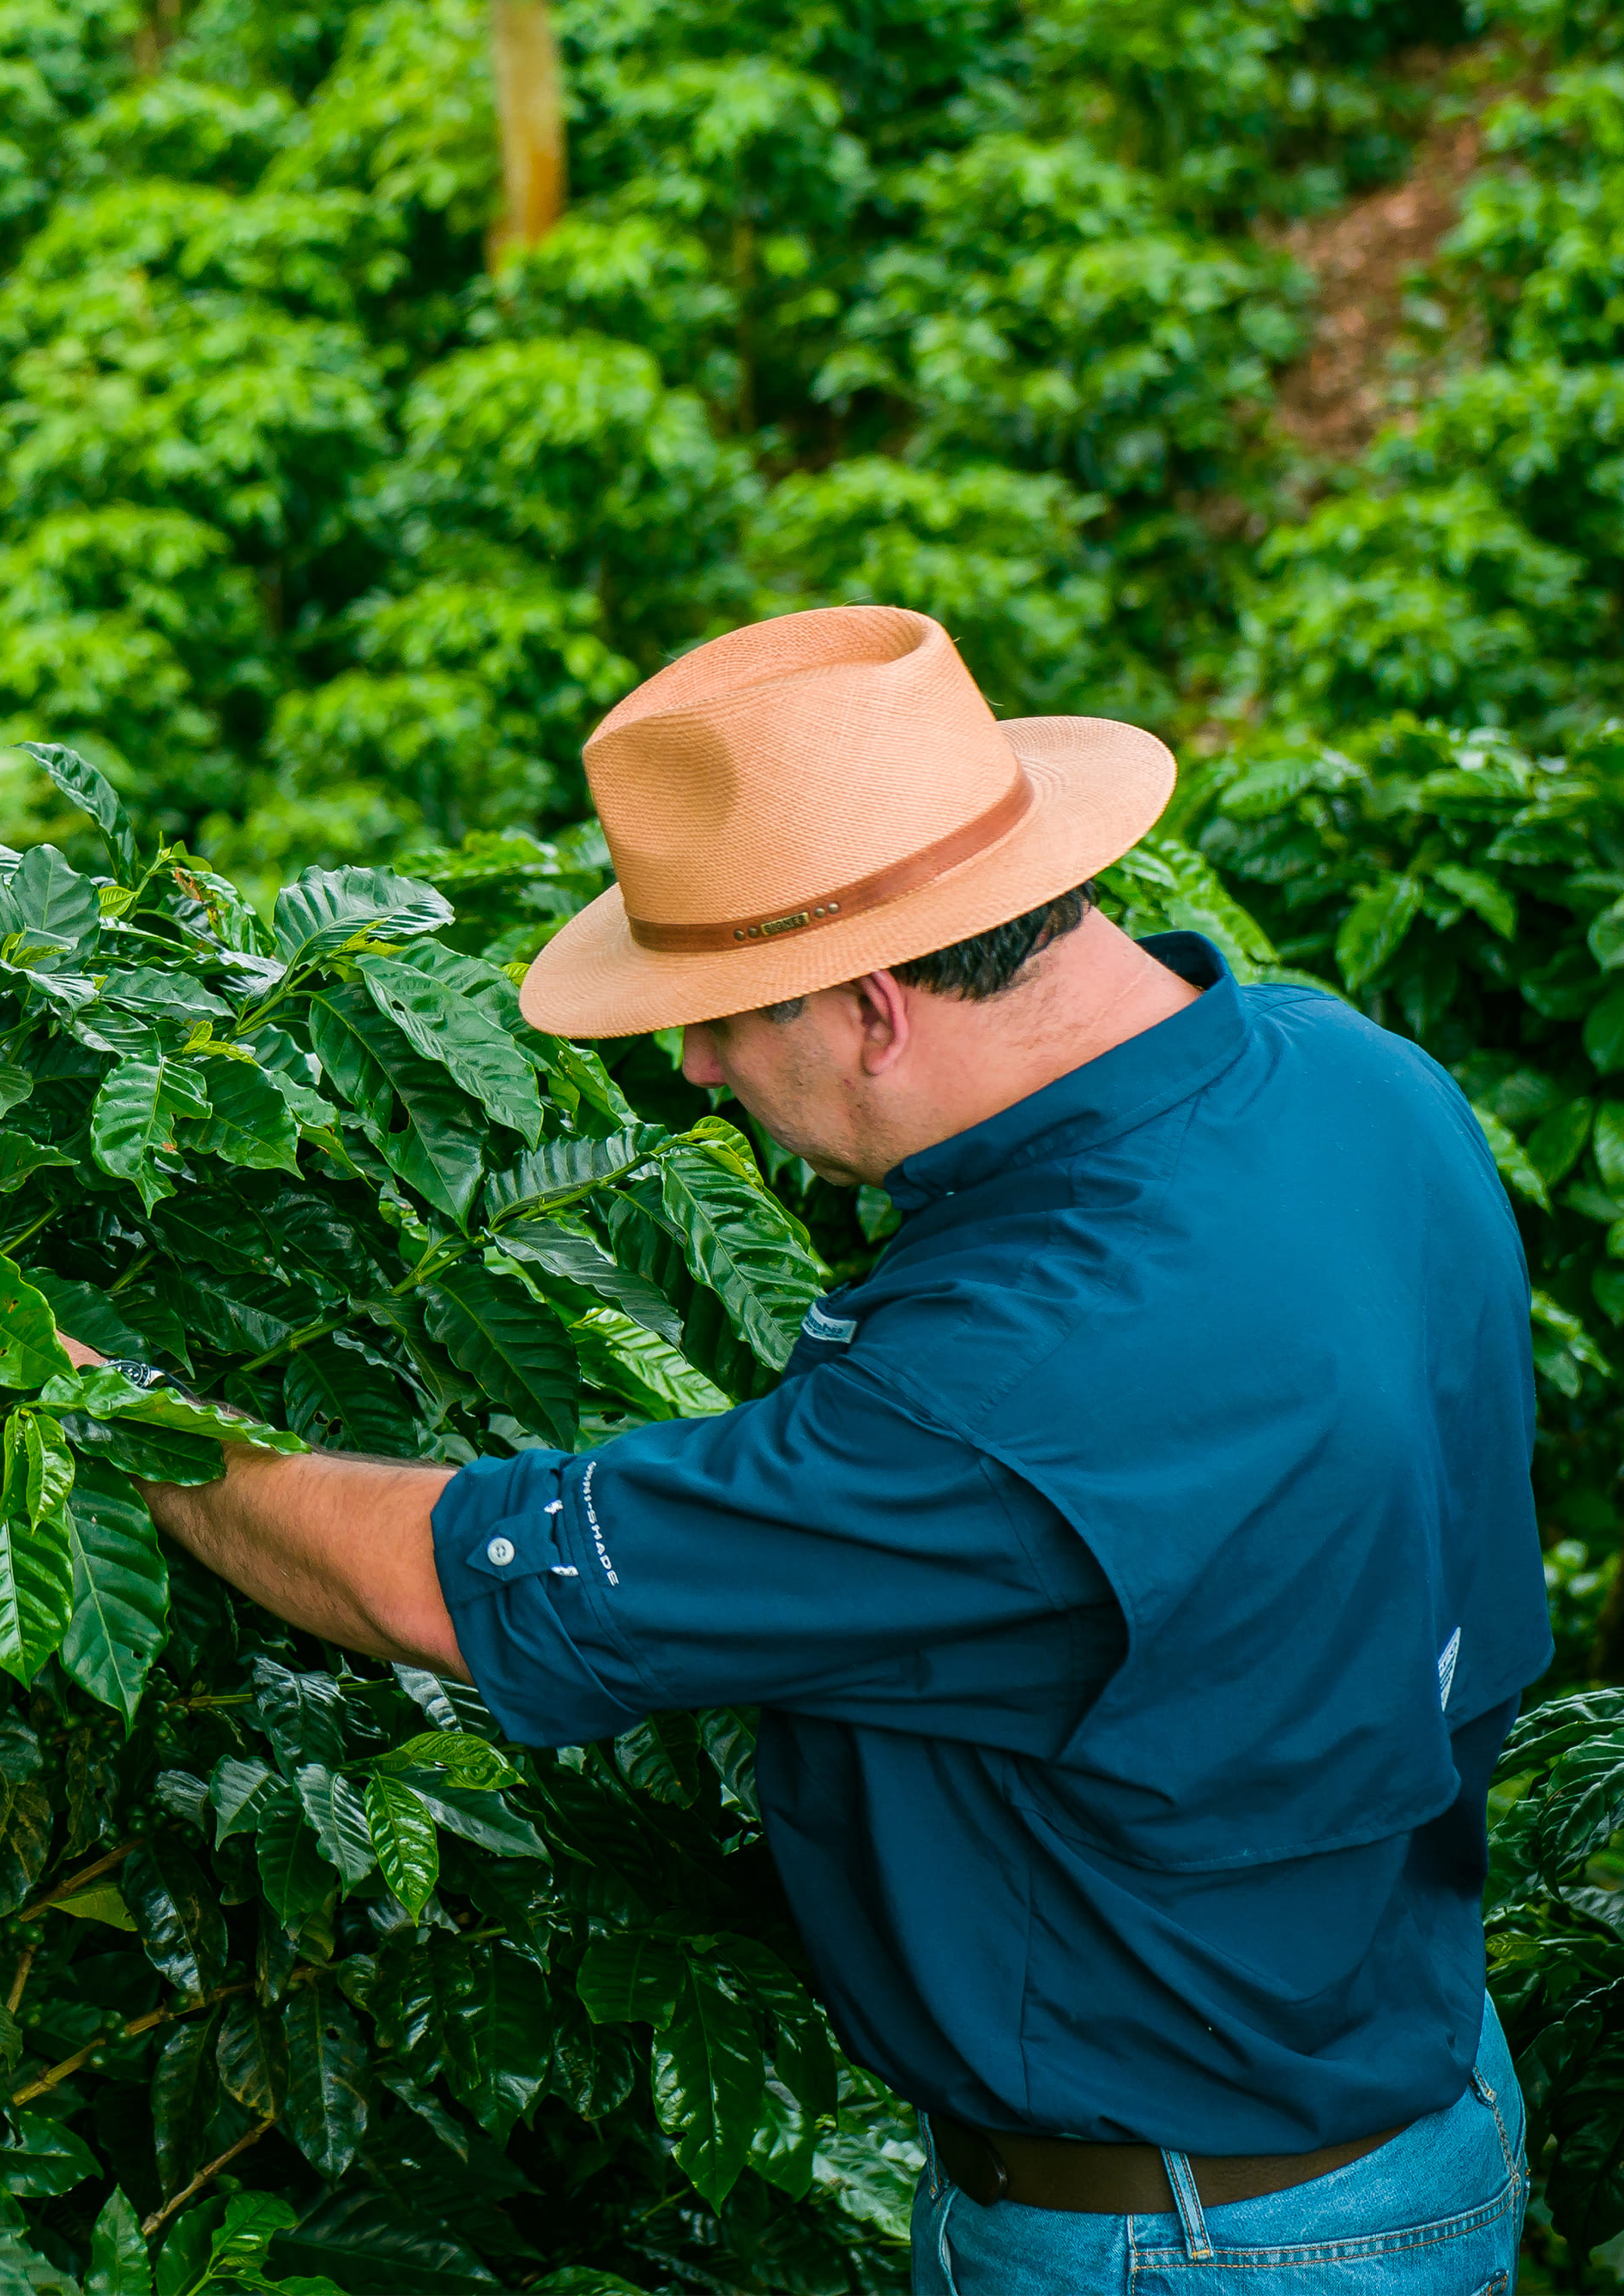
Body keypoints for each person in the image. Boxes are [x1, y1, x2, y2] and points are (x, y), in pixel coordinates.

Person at [81, 604, 1542, 2294]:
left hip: (1186, 2241)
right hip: (1411, 2095)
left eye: (722, 1018)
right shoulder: (1354, 1082)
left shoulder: (1005, 1383)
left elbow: (446, 1586)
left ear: (871, 1006)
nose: (695, 1071)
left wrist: (101, 1413)